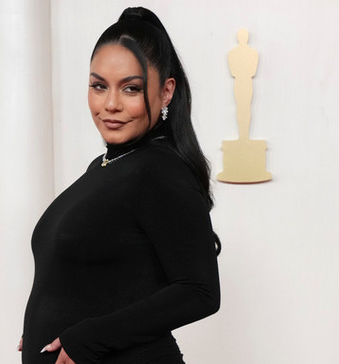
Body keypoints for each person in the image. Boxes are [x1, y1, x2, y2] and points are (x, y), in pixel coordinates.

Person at [20, 7, 221, 364]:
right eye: (99, 86)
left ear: (167, 91)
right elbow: (105, 279)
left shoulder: (160, 171)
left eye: (131, 88)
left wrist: (86, 338)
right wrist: (46, 324)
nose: (110, 105)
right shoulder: (104, 166)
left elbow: (200, 291)